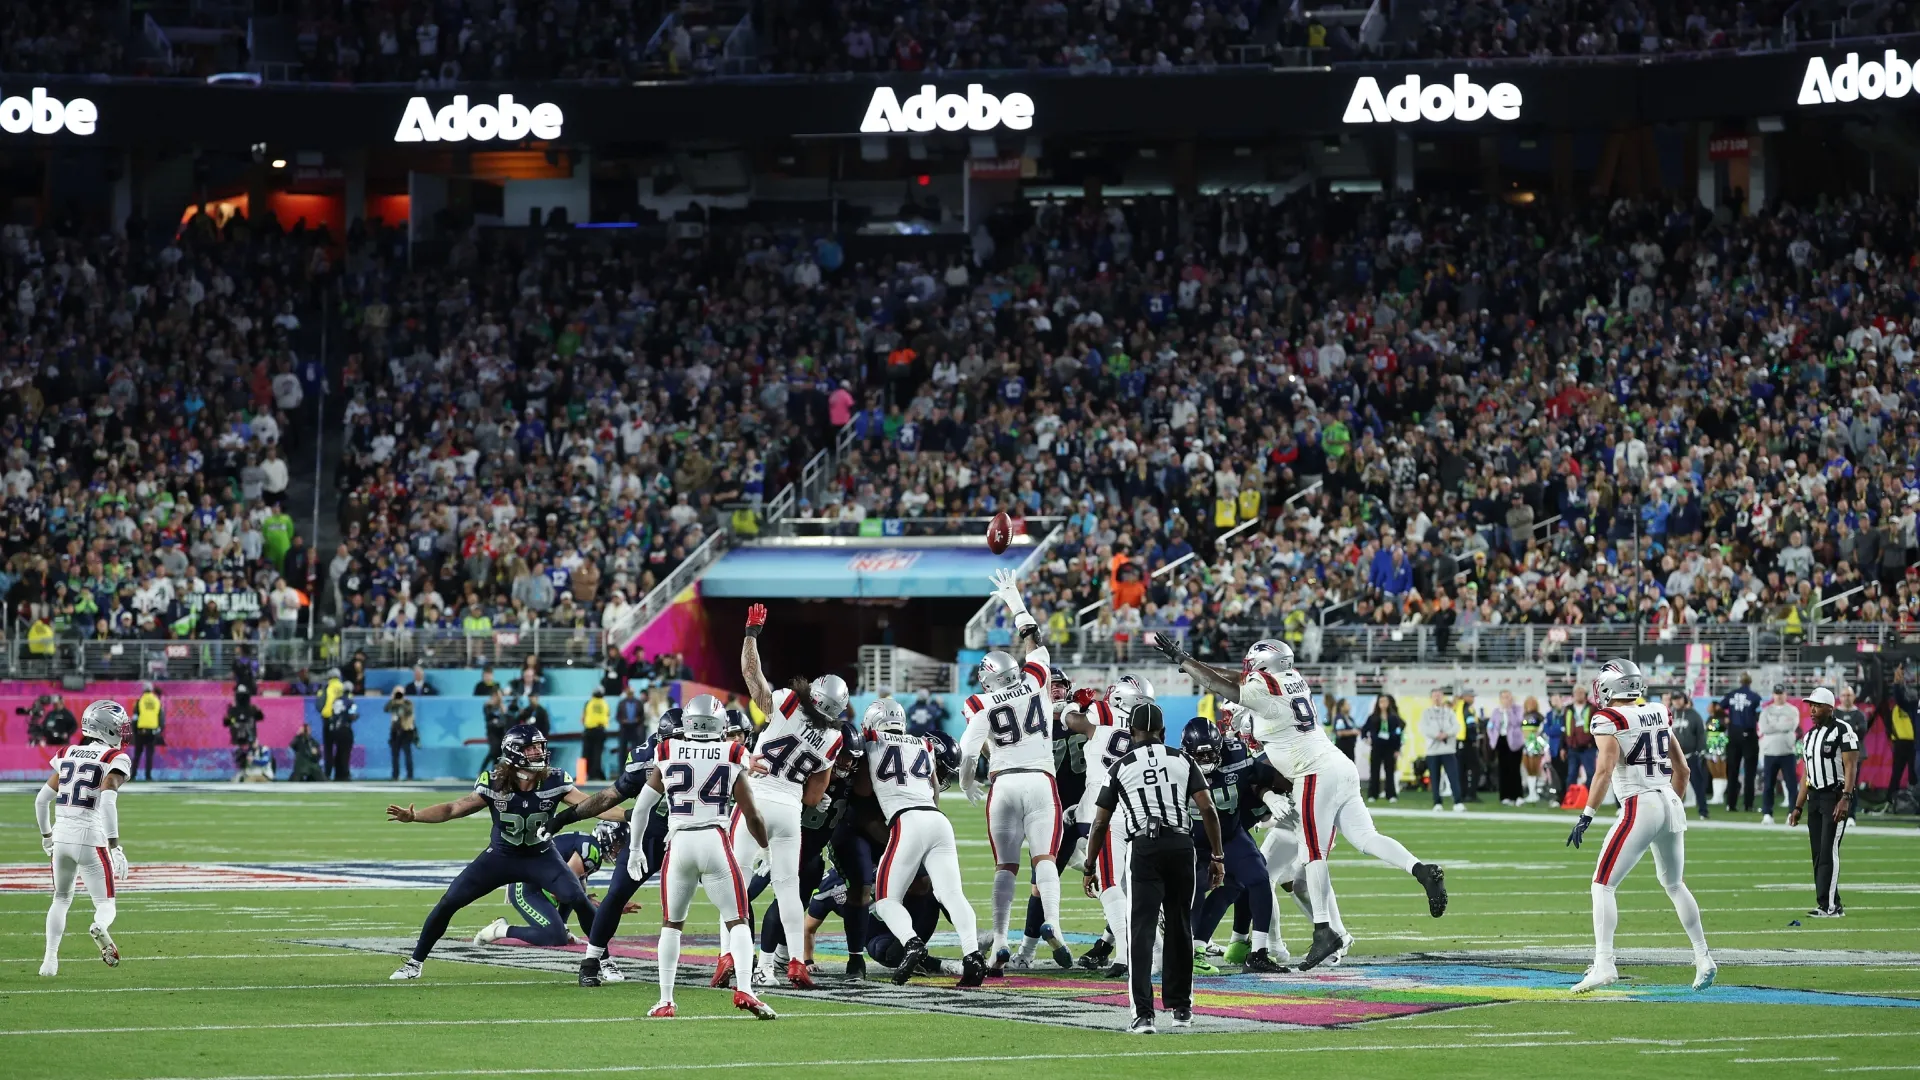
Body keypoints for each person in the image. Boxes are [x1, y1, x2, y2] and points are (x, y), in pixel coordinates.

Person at [1157, 635, 1447, 970]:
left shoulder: (1259, 698)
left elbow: (1225, 686)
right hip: (1338, 766)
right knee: (1366, 838)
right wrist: (1196, 665)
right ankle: (1420, 869)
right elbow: (1237, 679)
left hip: (1313, 774)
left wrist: (1184, 660)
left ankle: (1325, 931)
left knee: (1312, 855)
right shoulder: (1292, 679)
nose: (1247, 671)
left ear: (1263, 666)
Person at [385, 726, 614, 981]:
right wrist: (416, 816)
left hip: (540, 855)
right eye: (531, 747)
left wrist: (628, 814)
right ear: (514, 752)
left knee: (578, 899)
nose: (539, 752)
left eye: (539, 746)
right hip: (500, 856)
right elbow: (453, 808)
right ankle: (415, 962)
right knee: (449, 901)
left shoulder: (555, 780)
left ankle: (605, 961)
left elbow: (592, 805)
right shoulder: (494, 782)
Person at [1564, 659, 1715, 994]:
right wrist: (1667, 806)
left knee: (1602, 885)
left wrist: (1586, 814)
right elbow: (1683, 770)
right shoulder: (1659, 711)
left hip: (1639, 803)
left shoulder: (1609, 718)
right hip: (1670, 801)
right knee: (1674, 884)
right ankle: (1703, 957)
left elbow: (1604, 771)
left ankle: (1604, 963)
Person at [631, 696, 777, 1020]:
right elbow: (753, 815)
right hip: (714, 840)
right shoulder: (732, 752)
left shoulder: (666, 750)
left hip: (680, 843)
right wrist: (765, 848)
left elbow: (641, 808)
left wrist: (634, 849)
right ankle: (745, 989)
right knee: (738, 920)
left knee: (672, 925)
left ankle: (666, 1000)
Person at [958, 570, 1075, 974]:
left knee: (1005, 868)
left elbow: (969, 749)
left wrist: (967, 782)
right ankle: (1053, 924)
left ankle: (1000, 941)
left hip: (1004, 784)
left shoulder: (979, 703)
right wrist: (1014, 600)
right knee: (1045, 858)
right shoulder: (1038, 679)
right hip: (1041, 780)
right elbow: (1033, 639)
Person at [1080, 701, 1221, 1034]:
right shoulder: (1183, 760)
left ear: (1131, 733)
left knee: (1141, 931)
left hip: (1144, 847)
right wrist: (1217, 857)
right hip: (1181, 845)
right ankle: (1182, 1008)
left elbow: (1099, 823)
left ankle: (1143, 1015)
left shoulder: (1120, 766)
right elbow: (1208, 809)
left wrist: (1089, 865)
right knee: (1179, 926)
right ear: (1163, 732)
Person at [736, 602, 848, 990]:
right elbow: (814, 797)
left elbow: (752, 676)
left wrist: (751, 635)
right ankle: (797, 962)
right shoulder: (834, 739)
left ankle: (730, 958)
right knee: (787, 887)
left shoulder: (787, 702)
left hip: (755, 795)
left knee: (736, 879)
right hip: (788, 808)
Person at [544, 708, 687, 987]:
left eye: (686, 739)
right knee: (618, 892)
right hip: (655, 830)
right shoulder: (647, 758)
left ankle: (752, 961)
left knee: (735, 891)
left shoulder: (718, 752)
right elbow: (611, 795)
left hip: (701, 830)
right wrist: (564, 818)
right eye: (675, 739)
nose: (681, 746)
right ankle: (592, 961)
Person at [859, 698, 986, 986]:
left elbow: (864, 790)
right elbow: (934, 792)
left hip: (906, 820)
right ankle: (973, 955)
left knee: (886, 900)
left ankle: (912, 943)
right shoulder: (924, 744)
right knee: (952, 894)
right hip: (937, 820)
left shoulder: (871, 740)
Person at [34, 700, 133, 976]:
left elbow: (41, 801)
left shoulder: (67, 752)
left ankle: (49, 962)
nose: (124, 732)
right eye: (120, 727)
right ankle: (100, 926)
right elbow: (108, 799)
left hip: (61, 837)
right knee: (105, 904)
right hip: (91, 837)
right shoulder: (114, 757)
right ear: (107, 728)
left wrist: (46, 836)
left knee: (60, 899)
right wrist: (115, 846)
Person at [1180, 717, 1284, 973]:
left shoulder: (1237, 754)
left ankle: (1258, 952)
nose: (1206, 760)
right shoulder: (1176, 766)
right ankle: (1192, 951)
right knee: (1194, 890)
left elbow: (1262, 778)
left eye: (1210, 754)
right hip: (1191, 841)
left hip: (1229, 835)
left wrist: (1273, 794)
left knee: (1257, 878)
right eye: (1199, 756)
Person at [1061, 676, 1148, 978]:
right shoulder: (1146, 727)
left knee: (1108, 883)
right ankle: (1117, 945)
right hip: (1137, 808)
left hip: (1104, 808)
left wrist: (1075, 703)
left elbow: (1070, 720)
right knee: (1123, 882)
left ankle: (1125, 954)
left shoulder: (1102, 711)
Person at [473, 821, 628, 947]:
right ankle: (499, 930)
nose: (619, 850)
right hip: (526, 885)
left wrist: (599, 904)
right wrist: (606, 907)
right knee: (554, 937)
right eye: (618, 844)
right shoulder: (591, 850)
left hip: (536, 882)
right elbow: (562, 889)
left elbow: (573, 887)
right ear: (606, 836)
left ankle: (563, 927)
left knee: (579, 907)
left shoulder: (589, 846)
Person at [1788, 688, 1860, 918]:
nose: (1812, 710)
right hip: (1815, 797)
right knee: (1818, 853)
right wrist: (1798, 806)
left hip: (1835, 797)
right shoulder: (1809, 736)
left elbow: (1851, 766)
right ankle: (1828, 903)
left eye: (1817, 705)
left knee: (1829, 850)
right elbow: (1806, 774)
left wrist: (1846, 798)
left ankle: (1830, 907)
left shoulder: (1843, 730)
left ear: (1830, 708)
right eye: (1811, 705)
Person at [1757, 684, 1802, 825]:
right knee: (1768, 785)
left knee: (1791, 785)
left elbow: (1791, 726)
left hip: (1787, 752)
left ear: (1785, 694)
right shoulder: (1766, 711)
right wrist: (1781, 726)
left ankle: (1792, 813)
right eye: (1777, 693)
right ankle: (1767, 813)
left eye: (1781, 693)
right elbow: (1764, 728)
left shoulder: (1792, 710)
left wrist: (1774, 725)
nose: (1779, 696)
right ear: (1773, 695)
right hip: (1770, 752)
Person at [1720, 672, 1764, 814]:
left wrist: (1727, 718)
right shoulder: (1755, 697)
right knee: (1750, 772)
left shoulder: (1731, 694)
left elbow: (1719, 707)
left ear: (1739, 681)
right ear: (1750, 682)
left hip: (1734, 734)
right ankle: (1748, 804)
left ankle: (1731, 804)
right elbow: (1759, 715)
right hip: (1749, 734)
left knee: (1732, 771)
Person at [1419, 688, 1464, 812]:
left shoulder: (1449, 712)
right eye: (1434, 696)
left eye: (1439, 695)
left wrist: (1446, 734)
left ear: (1443, 697)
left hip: (1448, 749)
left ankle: (1458, 802)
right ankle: (1437, 802)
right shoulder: (1426, 713)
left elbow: (1456, 726)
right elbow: (1424, 728)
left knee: (1453, 776)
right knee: (1435, 778)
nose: (1437, 698)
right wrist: (1436, 735)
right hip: (1432, 750)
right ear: (1431, 698)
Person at [1669, 693, 1710, 820]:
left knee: (1698, 784)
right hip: (1672, 757)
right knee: (1668, 786)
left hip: (1690, 756)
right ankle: (1670, 812)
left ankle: (1703, 811)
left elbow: (1701, 734)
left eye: (1679, 699)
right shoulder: (1669, 714)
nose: (1676, 702)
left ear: (1685, 700)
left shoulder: (1694, 715)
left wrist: (1700, 751)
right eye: (1674, 699)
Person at [1361, 696, 1404, 802]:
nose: (1383, 704)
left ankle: (1391, 795)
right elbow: (1364, 730)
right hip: (1376, 747)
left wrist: (1397, 749)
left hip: (1389, 747)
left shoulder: (1393, 718)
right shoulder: (1372, 717)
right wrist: (1366, 739)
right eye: (1381, 701)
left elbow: (1398, 734)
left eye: (1385, 701)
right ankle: (1372, 795)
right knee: (1374, 771)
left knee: (1389, 771)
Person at [1488, 689, 1526, 805]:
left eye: (1508, 697)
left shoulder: (1518, 709)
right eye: (1504, 697)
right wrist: (1492, 738)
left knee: (1514, 768)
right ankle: (1505, 796)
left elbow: (1517, 722)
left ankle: (1517, 795)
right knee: (1503, 769)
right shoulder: (1496, 712)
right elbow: (1491, 726)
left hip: (1514, 742)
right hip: (1501, 741)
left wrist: (1509, 711)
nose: (1506, 699)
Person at [1886, 664, 1918, 801]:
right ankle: (1892, 799)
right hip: (1906, 744)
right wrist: (1897, 683)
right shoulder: (1910, 705)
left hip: (1913, 744)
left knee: (1912, 774)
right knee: (1901, 773)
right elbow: (1900, 699)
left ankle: (1913, 801)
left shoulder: (1913, 706)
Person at [224, 689, 264, 780]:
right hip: (240, 739)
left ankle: (247, 773)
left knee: (249, 756)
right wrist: (232, 720)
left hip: (248, 738)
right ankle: (242, 772)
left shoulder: (251, 709)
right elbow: (227, 722)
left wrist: (233, 720)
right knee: (240, 756)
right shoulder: (234, 710)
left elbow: (260, 717)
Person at [132, 683, 164, 781]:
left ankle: (133, 775)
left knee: (137, 754)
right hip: (152, 730)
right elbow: (161, 716)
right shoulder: (157, 701)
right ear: (151, 690)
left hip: (141, 731)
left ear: (143, 690)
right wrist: (160, 728)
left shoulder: (140, 701)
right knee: (149, 754)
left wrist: (134, 730)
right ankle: (148, 776)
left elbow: (135, 717)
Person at [385, 688, 418, 781]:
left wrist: (401, 702)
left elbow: (408, 711)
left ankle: (409, 775)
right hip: (395, 731)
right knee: (395, 755)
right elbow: (386, 709)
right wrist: (392, 700)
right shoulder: (393, 703)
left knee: (407, 754)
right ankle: (395, 775)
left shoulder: (408, 703)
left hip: (406, 730)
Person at [581, 687, 611, 781]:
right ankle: (595, 774)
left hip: (589, 730)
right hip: (600, 730)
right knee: (597, 753)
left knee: (586, 753)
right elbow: (608, 716)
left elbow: (583, 718)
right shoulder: (605, 704)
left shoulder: (588, 703)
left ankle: (582, 775)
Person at [325, 699, 358, 782]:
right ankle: (345, 774)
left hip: (333, 729)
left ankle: (337, 774)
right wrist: (356, 716)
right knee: (345, 753)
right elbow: (352, 715)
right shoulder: (349, 701)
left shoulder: (335, 700)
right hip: (344, 729)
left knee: (338, 752)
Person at [615, 685, 647, 764]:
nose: (630, 695)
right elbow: (617, 717)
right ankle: (622, 768)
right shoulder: (621, 703)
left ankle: (634, 766)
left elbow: (642, 716)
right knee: (622, 750)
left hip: (635, 728)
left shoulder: (638, 703)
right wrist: (623, 721)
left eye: (631, 693)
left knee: (635, 749)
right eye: (628, 693)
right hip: (624, 729)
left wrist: (638, 719)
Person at [482, 689, 512, 768]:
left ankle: (494, 770)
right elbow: (488, 717)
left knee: (498, 753)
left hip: (500, 732)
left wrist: (503, 711)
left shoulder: (502, 707)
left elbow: (504, 720)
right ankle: (481, 770)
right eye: (496, 696)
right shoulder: (488, 706)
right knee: (492, 752)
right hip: (492, 733)